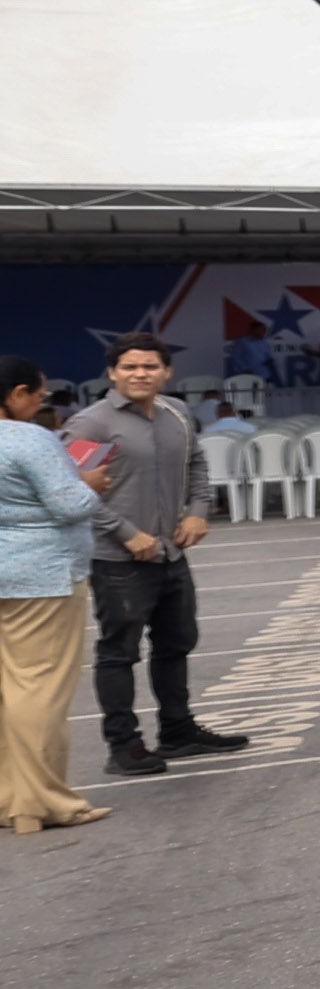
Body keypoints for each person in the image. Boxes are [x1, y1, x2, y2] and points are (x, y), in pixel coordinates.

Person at [64, 334, 246, 780]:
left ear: (167, 371)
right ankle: (123, 745)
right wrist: (126, 534)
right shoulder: (91, 424)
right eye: (129, 367)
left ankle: (178, 732)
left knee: (176, 643)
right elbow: (70, 491)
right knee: (119, 652)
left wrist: (198, 511)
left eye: (149, 366)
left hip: (170, 553)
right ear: (112, 373)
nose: (140, 374)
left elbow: (196, 464)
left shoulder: (176, 413)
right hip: (118, 559)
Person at [0, 356, 118, 831]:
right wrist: (88, 482)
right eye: (38, 395)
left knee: (7, 689)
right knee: (39, 688)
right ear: (16, 394)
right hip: (41, 573)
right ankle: (44, 802)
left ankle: (9, 796)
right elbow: (69, 505)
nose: (40, 403)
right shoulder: (30, 438)